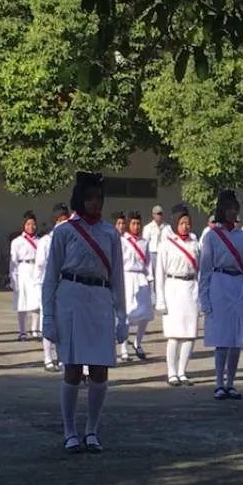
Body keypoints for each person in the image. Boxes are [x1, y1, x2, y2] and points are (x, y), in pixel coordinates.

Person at [41, 172, 126, 454]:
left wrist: (122, 316)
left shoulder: (110, 233)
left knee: (100, 369)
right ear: (79, 200)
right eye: (89, 199)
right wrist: (48, 318)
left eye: (99, 199)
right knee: (73, 369)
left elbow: (118, 277)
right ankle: (69, 430)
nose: (94, 204)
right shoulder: (64, 232)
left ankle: (92, 429)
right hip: (71, 298)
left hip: (100, 299)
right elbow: (51, 277)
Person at [200, 190, 243, 400]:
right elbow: (205, 269)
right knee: (222, 338)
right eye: (228, 208)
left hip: (239, 284)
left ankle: (231, 382)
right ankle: (218, 382)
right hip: (219, 283)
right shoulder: (211, 236)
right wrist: (204, 298)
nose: (233, 212)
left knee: (237, 337)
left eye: (235, 208)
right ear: (221, 211)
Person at [156, 204, 201, 386]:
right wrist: (160, 299)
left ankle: (183, 371)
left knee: (190, 334)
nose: (185, 226)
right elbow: (160, 272)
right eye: (182, 223)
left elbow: (201, 269)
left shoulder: (195, 242)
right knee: (174, 335)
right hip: (173, 287)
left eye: (188, 223)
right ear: (176, 224)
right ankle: (172, 372)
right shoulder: (166, 244)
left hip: (191, 288)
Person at [36, 204, 71, 372]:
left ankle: (62, 357)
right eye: (63, 220)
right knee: (48, 320)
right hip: (49, 284)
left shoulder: (71, 239)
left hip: (65, 284)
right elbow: (40, 266)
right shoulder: (45, 241)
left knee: (64, 322)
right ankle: (48, 358)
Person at [120, 211, 154, 362]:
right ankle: (123, 347)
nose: (136, 226)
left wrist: (150, 278)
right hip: (127, 276)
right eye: (133, 223)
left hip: (141, 277)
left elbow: (148, 262)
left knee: (146, 314)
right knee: (127, 313)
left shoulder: (144, 242)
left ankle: (137, 342)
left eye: (138, 223)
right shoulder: (122, 241)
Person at [9, 211, 42, 341]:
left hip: (36, 270)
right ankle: (22, 331)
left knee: (37, 301)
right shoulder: (17, 242)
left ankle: (35, 329)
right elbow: (13, 262)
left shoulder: (40, 241)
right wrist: (13, 278)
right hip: (22, 270)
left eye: (33, 224)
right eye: (28, 224)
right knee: (21, 301)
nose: (31, 227)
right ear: (24, 225)